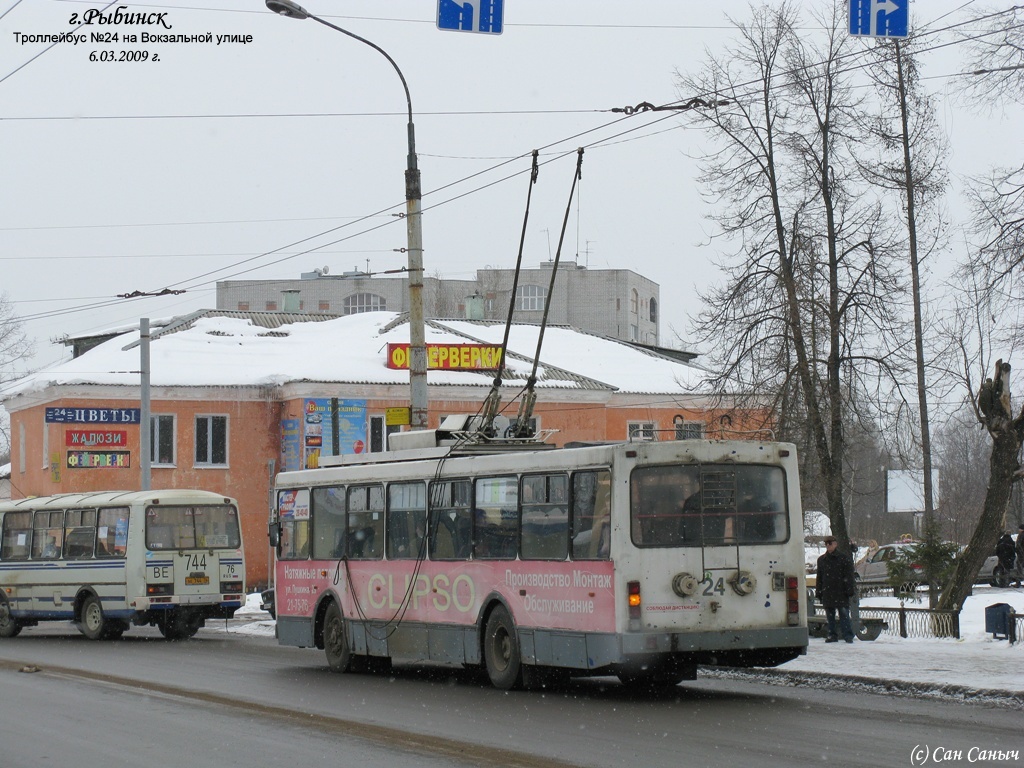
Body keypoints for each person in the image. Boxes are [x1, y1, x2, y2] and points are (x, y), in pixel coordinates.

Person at [816, 535, 856, 643]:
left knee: (844, 614)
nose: (828, 546)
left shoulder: (843, 558)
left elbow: (849, 576)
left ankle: (848, 635)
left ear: (835, 544)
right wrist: (819, 591)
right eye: (826, 544)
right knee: (830, 615)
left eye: (830, 543)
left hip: (841, 591)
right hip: (828, 591)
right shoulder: (822, 560)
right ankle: (832, 634)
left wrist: (849, 589)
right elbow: (819, 577)